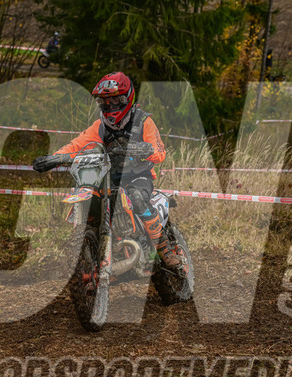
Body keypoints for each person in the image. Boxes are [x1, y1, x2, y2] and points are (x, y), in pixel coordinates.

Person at [33, 71, 187, 277]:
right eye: (105, 101)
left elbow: (160, 152)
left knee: (137, 196)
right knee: (93, 205)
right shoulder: (101, 126)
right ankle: (98, 252)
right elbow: (77, 144)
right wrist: (54, 158)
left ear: (127, 98)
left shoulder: (143, 121)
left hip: (138, 176)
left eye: (115, 100)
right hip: (110, 178)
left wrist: (144, 149)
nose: (110, 105)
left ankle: (165, 250)